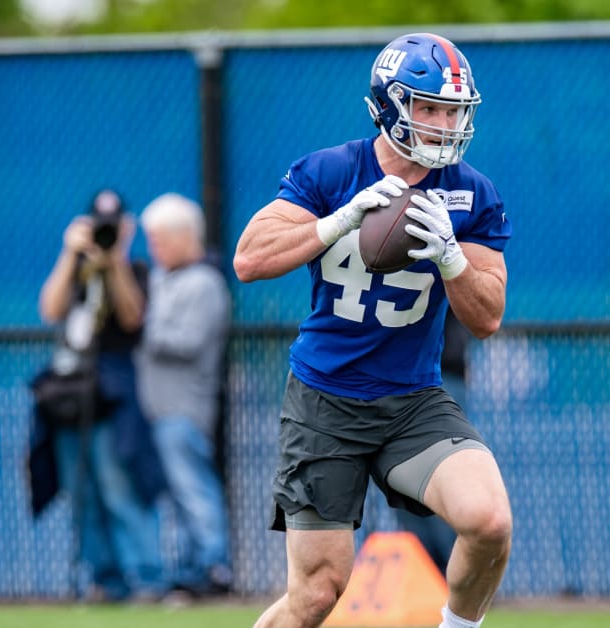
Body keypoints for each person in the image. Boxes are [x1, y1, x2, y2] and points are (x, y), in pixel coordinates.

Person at [233, 33, 512, 628]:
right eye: (429, 107)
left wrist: (452, 258)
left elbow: (487, 317)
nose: (444, 124)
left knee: (489, 522)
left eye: (453, 111)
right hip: (325, 400)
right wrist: (339, 220)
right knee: (316, 594)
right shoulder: (332, 171)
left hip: (412, 399)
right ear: (389, 105)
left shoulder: (472, 193)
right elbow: (249, 259)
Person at [33, 189, 165, 602]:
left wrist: (115, 260)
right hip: (69, 392)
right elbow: (50, 310)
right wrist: (69, 254)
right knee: (80, 492)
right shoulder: (75, 268)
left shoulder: (136, 270)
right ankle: (105, 580)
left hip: (113, 392)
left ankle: (147, 577)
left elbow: (131, 315)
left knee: (118, 486)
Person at [135, 193, 234, 600]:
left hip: (186, 408)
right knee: (177, 492)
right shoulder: (160, 280)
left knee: (194, 488)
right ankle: (189, 568)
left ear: (184, 237)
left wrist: (141, 324)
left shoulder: (204, 283)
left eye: (160, 240)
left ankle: (212, 567)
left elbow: (188, 341)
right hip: (158, 409)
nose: (154, 248)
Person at [392, 311, 471, 577]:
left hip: (439, 376)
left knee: (447, 483)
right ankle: (429, 575)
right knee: (404, 485)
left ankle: (457, 574)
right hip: (397, 380)